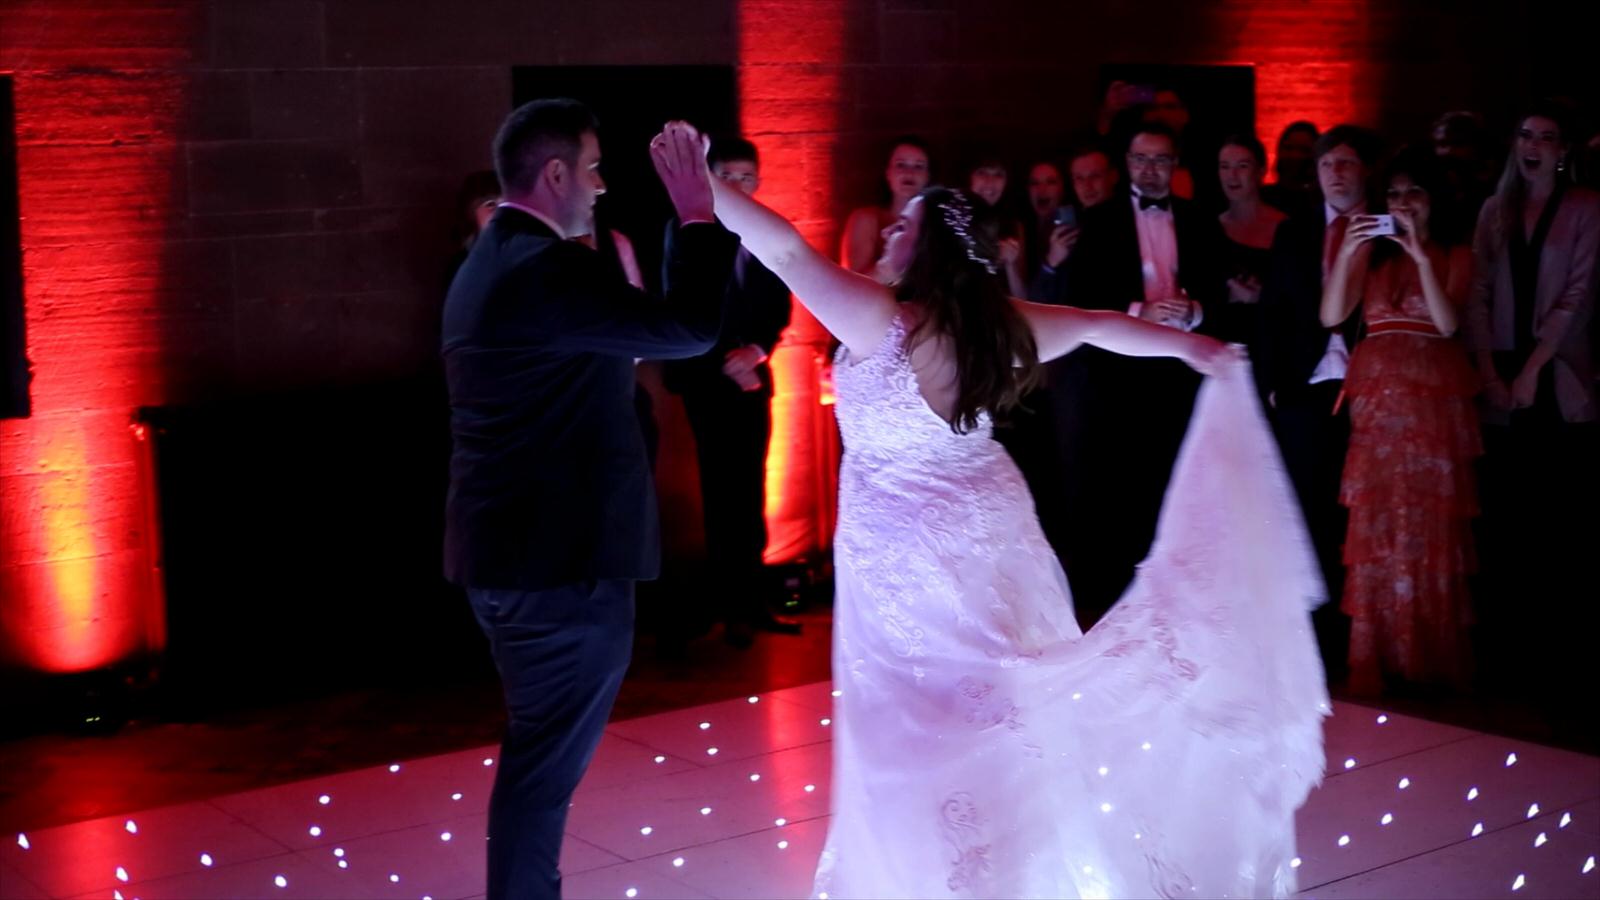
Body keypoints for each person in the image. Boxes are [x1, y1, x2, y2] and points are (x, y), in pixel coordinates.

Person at [694, 118, 1328, 899]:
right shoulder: (1004, 323)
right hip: (987, 526)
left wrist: (703, 186)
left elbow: (785, 251)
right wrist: (1191, 349)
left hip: (902, 544)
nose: (889, 233)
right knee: (1003, 703)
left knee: (914, 717)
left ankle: (943, 873)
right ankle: (1014, 865)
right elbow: (1100, 328)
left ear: (922, 250)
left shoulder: (879, 314)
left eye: (902, 226)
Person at [441, 106, 738, 899]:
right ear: (557, 175)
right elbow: (688, 328)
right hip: (558, 570)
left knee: (538, 761)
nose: (604, 187)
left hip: (513, 559)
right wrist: (696, 214)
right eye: (597, 167)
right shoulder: (544, 270)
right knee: (541, 772)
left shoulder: (493, 260)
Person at [1321, 149, 1479, 694]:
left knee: (1426, 517)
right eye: (1393, 195)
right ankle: (1378, 651)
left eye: (1413, 194)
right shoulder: (1372, 259)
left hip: (1430, 397)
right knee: (1378, 518)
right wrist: (1347, 252)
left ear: (1433, 200)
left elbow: (1446, 321)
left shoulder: (1455, 253)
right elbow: (1331, 315)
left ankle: (1426, 654)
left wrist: (1421, 254)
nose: (1403, 204)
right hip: (1377, 401)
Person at [1464, 102, 1600, 697]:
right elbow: (1476, 293)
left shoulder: (1588, 208)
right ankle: (1509, 663)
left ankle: (1560, 667)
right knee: (1508, 523)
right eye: (1525, 135)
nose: (1533, 145)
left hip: (1559, 375)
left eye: (1545, 137)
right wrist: (1490, 370)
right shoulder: (1495, 210)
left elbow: (1579, 296)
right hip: (1500, 374)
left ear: (1563, 149)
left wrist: (1532, 371)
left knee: (1558, 525)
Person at [1256, 124, 1384, 682]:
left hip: (1372, 388)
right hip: (1307, 389)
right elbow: (1274, 312)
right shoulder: (1293, 231)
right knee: (1306, 514)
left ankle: (1365, 637)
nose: (1336, 172)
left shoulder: (1387, 228)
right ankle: (1315, 642)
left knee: (1360, 517)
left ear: (1364, 173)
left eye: (1347, 163)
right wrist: (1275, 383)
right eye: (1328, 164)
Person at [661, 136, 798, 648]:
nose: (740, 185)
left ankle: (751, 601)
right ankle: (720, 605)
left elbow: (781, 303)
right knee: (718, 490)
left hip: (755, 377)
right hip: (705, 377)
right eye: (729, 176)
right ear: (712, 179)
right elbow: (681, 297)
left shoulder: (770, 229)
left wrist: (756, 352)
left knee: (753, 487)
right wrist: (726, 361)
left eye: (748, 177)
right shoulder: (688, 229)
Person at [1215, 134, 1287, 346]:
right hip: (1221, 341)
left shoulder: (1288, 228)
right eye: (1225, 166)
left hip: (1272, 340)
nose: (1232, 176)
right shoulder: (1208, 229)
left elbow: (1301, 297)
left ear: (1261, 171)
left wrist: (1261, 297)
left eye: (1242, 166)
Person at [841, 136, 932, 276]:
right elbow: (853, 282)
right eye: (901, 164)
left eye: (919, 166)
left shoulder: (937, 222)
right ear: (888, 173)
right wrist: (890, 263)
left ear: (927, 176)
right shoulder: (866, 219)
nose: (909, 173)